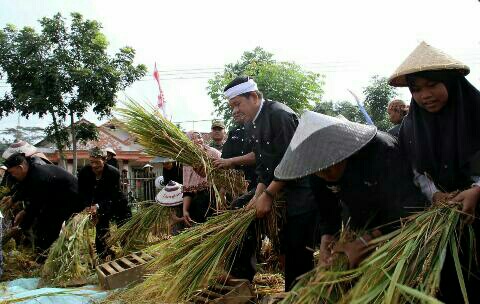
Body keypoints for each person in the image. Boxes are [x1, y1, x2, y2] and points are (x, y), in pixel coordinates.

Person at [274, 111, 427, 268]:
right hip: (360, 220)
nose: (323, 174)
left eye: (329, 165)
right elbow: (327, 212)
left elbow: (409, 206)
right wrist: (326, 243)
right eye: (317, 171)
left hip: (405, 227)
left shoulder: (382, 151)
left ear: (343, 150)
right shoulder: (316, 167)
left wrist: (364, 243)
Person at [389, 41, 480, 303]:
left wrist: (476, 190)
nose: (424, 95)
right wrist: (435, 195)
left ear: (450, 82)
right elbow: (416, 171)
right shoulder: (411, 128)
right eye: (416, 89)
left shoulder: (476, 111)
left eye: (432, 85)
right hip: (448, 220)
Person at [224, 76, 319, 290]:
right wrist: (257, 196)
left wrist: (267, 195)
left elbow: (291, 161)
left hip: (301, 191)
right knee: (239, 209)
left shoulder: (280, 115)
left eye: (238, 104)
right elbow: (264, 167)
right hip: (276, 188)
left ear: (254, 97)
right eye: (232, 106)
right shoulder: (251, 124)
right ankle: (241, 277)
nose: (235, 111)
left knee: (296, 249)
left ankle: (298, 295)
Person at [2, 153, 83, 254]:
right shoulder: (31, 171)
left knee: (46, 227)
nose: (12, 176)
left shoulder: (39, 177)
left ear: (20, 167)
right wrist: (13, 199)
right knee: (42, 224)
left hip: (71, 199)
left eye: (13, 172)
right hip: (56, 197)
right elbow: (24, 187)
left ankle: (43, 257)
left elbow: (35, 206)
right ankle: (43, 252)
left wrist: (21, 226)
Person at [78, 147, 131, 259]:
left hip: (117, 202)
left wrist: (98, 206)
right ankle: (105, 255)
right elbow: (82, 192)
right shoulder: (84, 172)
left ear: (104, 160)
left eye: (97, 162)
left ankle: (127, 253)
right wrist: (88, 206)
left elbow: (112, 195)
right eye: (92, 162)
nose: (94, 166)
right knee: (101, 232)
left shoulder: (113, 173)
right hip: (98, 204)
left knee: (125, 229)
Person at [182, 131, 221, 225]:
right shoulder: (187, 160)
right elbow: (187, 190)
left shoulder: (214, 153)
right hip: (196, 203)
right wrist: (185, 210)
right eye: (193, 138)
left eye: (199, 137)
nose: (198, 140)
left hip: (214, 199)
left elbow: (226, 174)